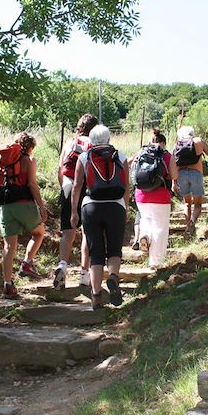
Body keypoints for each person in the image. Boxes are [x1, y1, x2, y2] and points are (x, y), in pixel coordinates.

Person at [70, 125, 129, 309]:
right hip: (116, 206)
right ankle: (112, 277)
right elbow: (126, 187)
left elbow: (77, 186)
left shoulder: (84, 156)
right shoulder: (120, 156)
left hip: (91, 207)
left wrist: (74, 211)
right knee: (114, 249)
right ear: (109, 139)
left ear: (91, 140)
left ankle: (96, 296)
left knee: (95, 252)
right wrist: (125, 208)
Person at [0, 132, 48, 299]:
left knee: (9, 247)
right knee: (39, 232)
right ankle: (27, 263)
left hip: (6, 206)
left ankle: (7, 285)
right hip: (24, 204)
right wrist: (41, 207)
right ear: (30, 147)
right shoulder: (29, 161)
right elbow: (32, 184)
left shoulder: (6, 162)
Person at [53, 114, 97, 290]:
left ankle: (62, 265)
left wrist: (64, 189)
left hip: (68, 186)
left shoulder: (69, 143)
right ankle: (84, 274)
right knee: (88, 233)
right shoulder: (93, 144)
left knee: (67, 232)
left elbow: (60, 169)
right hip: (87, 189)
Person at [129, 128, 178, 268]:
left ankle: (144, 235)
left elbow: (128, 163)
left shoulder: (141, 152)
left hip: (141, 195)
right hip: (161, 196)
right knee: (160, 228)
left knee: (146, 219)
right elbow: (174, 176)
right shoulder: (167, 156)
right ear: (163, 143)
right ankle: (156, 263)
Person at [173, 125, 208, 236]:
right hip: (196, 174)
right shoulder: (199, 141)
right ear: (192, 133)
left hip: (181, 175)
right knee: (198, 204)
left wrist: (173, 182)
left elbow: (173, 163)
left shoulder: (177, 144)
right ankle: (192, 222)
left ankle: (187, 226)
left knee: (187, 203)